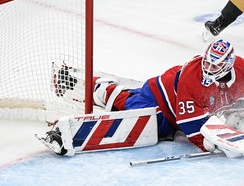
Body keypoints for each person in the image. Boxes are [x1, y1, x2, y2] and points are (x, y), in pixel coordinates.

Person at [93, 39, 244, 152]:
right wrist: (209, 144)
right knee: (140, 122)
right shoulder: (192, 80)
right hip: (161, 98)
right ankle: (102, 89)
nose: (209, 69)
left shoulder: (241, 69)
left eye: (215, 65)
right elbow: (190, 125)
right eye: (206, 63)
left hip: (182, 106)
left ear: (228, 65)